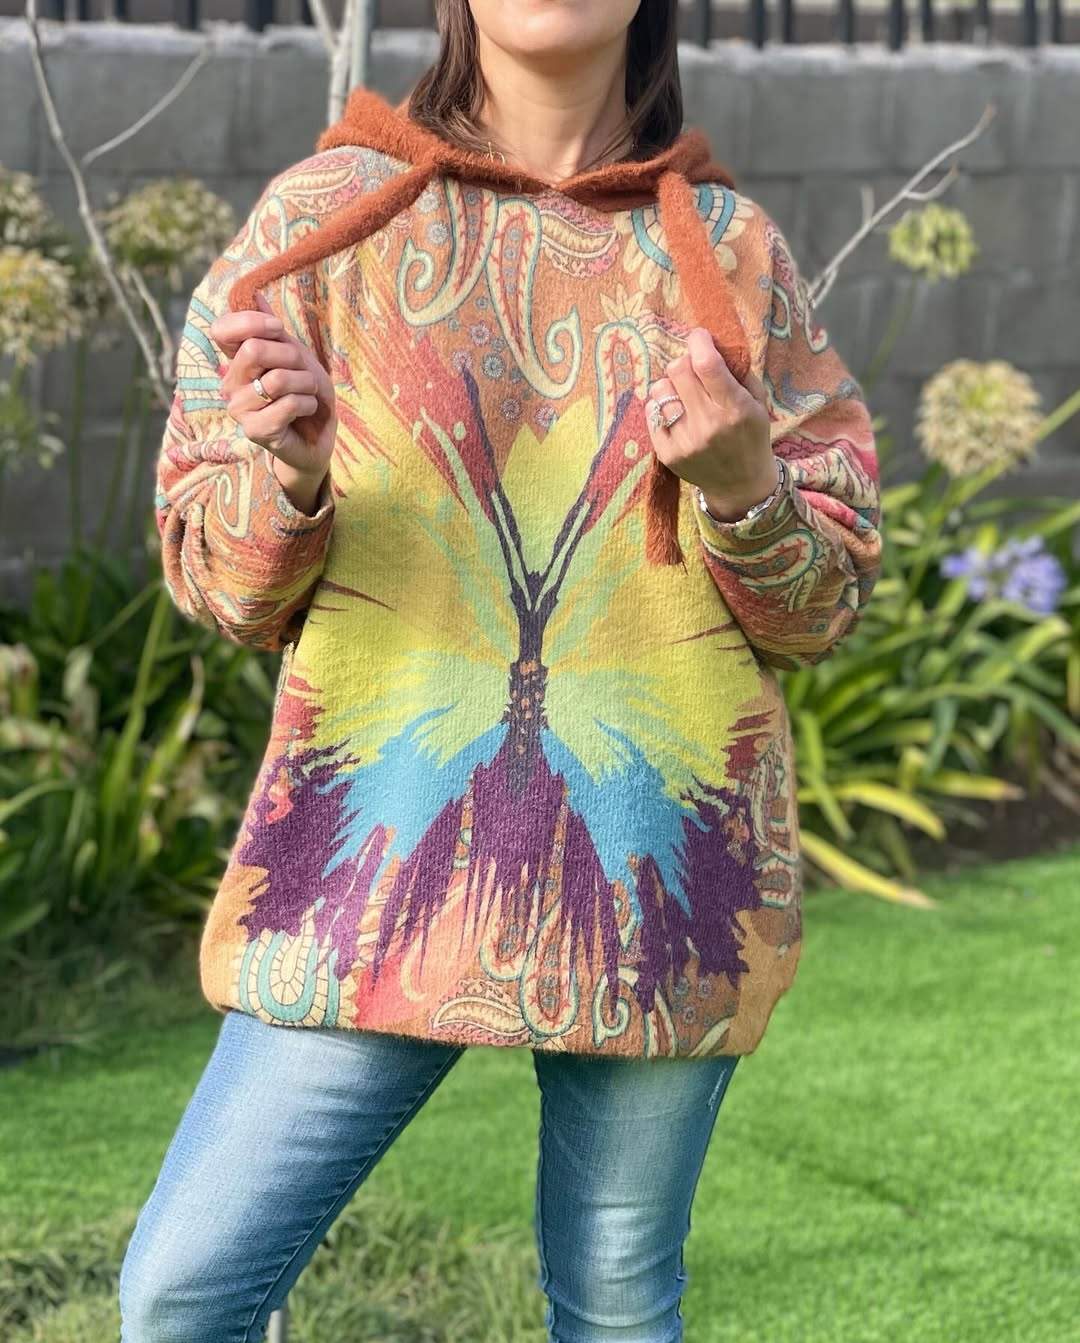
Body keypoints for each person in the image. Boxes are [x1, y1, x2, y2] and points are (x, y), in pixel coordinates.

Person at [120, 1, 882, 1338]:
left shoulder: (731, 251)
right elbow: (217, 582)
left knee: (616, 1309)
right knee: (181, 1291)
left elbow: (823, 607)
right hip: (367, 867)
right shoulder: (322, 223)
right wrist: (291, 478)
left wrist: (745, 485)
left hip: (658, 881)